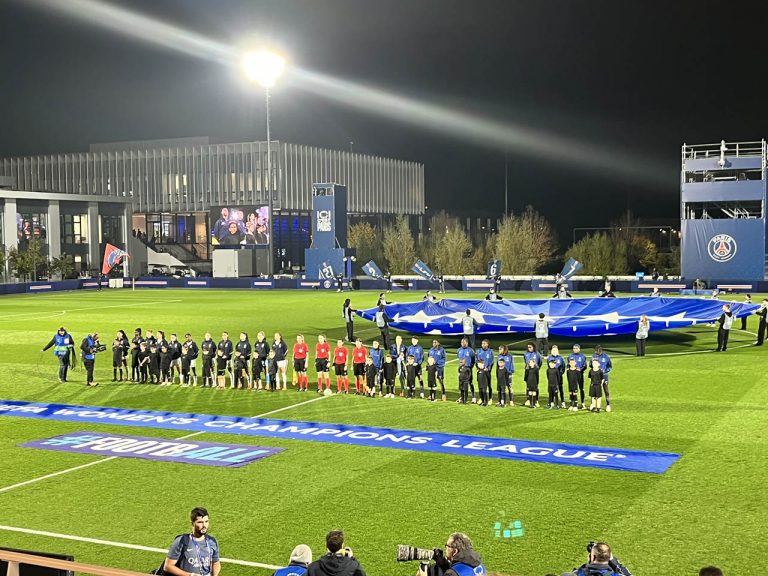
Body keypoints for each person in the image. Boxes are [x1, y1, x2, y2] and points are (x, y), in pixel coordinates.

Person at [162, 507, 220, 576]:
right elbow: (167, 566)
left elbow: (216, 563)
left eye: (206, 521)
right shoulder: (181, 541)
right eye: (200, 522)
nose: (204, 525)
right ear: (192, 523)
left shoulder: (212, 541)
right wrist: (190, 575)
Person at [417, 532, 486, 576]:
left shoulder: (452, 574)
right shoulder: (479, 565)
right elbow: (460, 568)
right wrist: (442, 562)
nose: (445, 549)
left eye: (447, 546)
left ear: (455, 551)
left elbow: (455, 571)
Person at [563, 541, 632, 576]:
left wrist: (589, 565)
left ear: (593, 557)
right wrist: (614, 562)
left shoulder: (577, 574)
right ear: (609, 557)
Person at [591, 345, 613, 412]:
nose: (597, 352)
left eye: (598, 351)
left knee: (606, 390)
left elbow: (610, 366)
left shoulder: (606, 357)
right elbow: (590, 365)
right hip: (596, 376)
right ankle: (593, 404)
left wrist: (605, 371)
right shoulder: (593, 356)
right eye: (596, 351)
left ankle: (608, 405)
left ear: (601, 350)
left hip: (604, 376)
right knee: (594, 390)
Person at [567, 344, 587, 409]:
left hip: (580, 374)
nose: (575, 349)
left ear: (579, 349)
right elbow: (568, 365)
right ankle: (573, 403)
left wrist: (580, 370)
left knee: (581, 388)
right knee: (572, 389)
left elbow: (585, 366)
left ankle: (583, 403)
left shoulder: (582, 356)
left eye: (576, 348)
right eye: (574, 348)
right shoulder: (570, 356)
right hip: (572, 375)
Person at [457, 338, 475, 403]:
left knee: (470, 382)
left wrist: (470, 367)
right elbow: (459, 359)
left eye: (464, 342)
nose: (462, 343)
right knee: (461, 383)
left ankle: (473, 396)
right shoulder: (459, 350)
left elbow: (473, 359)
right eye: (461, 342)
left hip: (468, 369)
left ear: (467, 343)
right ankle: (462, 397)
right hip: (461, 369)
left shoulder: (470, 350)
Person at [476, 339, 493, 404]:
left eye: (484, 343)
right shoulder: (479, 351)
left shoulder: (490, 352)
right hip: (480, 370)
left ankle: (490, 398)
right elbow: (476, 360)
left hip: (487, 371)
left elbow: (491, 361)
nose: (482, 345)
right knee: (480, 385)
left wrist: (488, 368)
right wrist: (477, 368)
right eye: (482, 343)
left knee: (488, 384)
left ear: (487, 344)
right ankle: (481, 398)